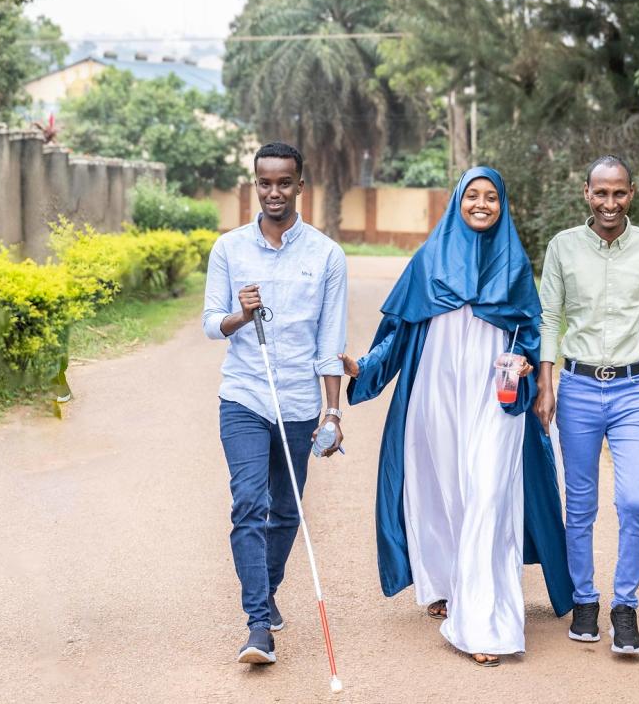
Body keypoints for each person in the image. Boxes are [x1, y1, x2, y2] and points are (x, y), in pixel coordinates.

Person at [339, 167, 572, 668]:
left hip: (496, 401)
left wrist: (533, 372)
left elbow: (531, 334)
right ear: (457, 202)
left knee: (489, 495)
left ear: (502, 204)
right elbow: (396, 335)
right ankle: (445, 585)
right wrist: (364, 369)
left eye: (491, 197)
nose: (482, 204)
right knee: (443, 493)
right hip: (436, 398)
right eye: (473, 196)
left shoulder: (513, 264)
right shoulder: (428, 261)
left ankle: (483, 622)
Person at [533, 155, 639, 655]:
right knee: (579, 505)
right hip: (577, 389)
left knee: (635, 501)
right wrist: (547, 383)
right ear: (586, 193)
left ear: (632, 194)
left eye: (618, 193)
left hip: (632, 392)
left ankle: (625, 607)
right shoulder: (562, 247)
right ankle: (585, 601)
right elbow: (549, 318)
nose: (609, 203)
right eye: (600, 193)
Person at [201, 142, 348, 666]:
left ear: (300, 185)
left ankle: (268, 591)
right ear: (255, 185)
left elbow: (331, 342)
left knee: (285, 511)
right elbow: (210, 325)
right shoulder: (229, 249)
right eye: (264, 183)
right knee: (249, 503)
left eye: (284, 182)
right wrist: (241, 315)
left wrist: (332, 413)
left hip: (299, 403)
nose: (274, 192)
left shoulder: (327, 255)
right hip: (243, 396)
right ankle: (258, 625)